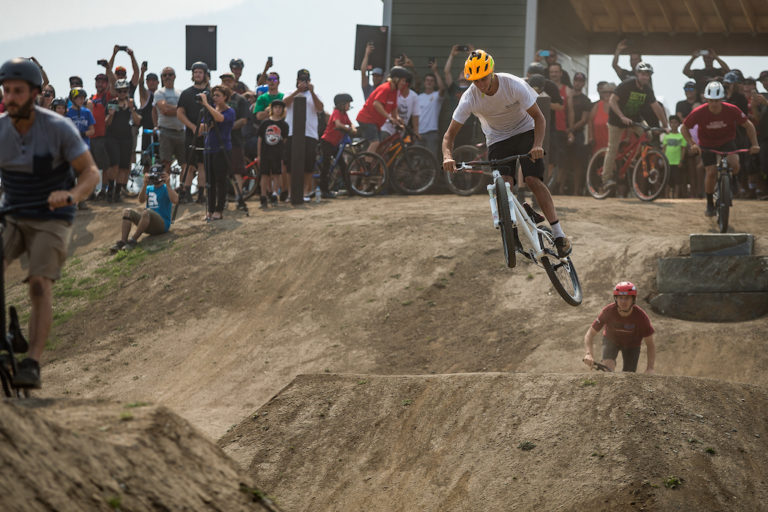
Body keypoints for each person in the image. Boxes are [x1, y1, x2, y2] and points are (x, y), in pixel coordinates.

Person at [0, 58, 100, 388]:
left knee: (39, 283)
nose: (10, 97)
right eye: (6, 91)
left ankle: (32, 363)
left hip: (51, 217)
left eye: (17, 91)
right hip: (13, 211)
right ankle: (6, 336)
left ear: (34, 93)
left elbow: (91, 172)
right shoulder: (1, 129)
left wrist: (72, 195)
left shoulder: (57, 128)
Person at [442, 50, 572, 258]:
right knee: (503, 182)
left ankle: (558, 234)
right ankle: (512, 221)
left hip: (526, 131)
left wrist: (537, 145)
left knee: (532, 179)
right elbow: (449, 135)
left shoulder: (513, 84)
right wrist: (447, 156)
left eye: (483, 79)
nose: (480, 84)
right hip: (498, 139)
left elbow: (540, 118)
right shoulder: (469, 98)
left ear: (491, 73)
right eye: (475, 81)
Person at [681, 81, 760, 217]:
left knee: (735, 164)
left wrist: (755, 144)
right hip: (707, 144)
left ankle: (733, 180)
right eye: (711, 100)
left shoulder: (731, 109)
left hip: (727, 142)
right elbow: (684, 128)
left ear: (722, 99)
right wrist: (692, 144)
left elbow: (748, 125)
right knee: (711, 172)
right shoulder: (699, 112)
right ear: (706, 99)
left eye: (717, 101)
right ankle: (710, 203)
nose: (714, 104)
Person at [602, 62, 668, 190]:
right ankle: (606, 179)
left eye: (647, 75)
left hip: (633, 119)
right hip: (616, 120)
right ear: (637, 74)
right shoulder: (627, 84)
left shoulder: (648, 90)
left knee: (647, 136)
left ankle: (633, 159)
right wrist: (621, 116)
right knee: (612, 148)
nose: (645, 77)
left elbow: (656, 107)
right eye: (643, 74)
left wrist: (665, 126)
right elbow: (612, 100)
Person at [582, 282, 655, 374]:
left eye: (627, 298)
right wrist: (589, 354)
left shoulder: (641, 317)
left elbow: (650, 344)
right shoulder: (608, 311)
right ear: (616, 299)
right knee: (608, 369)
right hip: (611, 341)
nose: (623, 301)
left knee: (629, 375)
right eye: (620, 298)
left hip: (632, 345)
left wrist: (650, 368)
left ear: (633, 299)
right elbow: (589, 334)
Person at [109, 166, 178, 253]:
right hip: (148, 222)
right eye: (152, 175)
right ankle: (123, 242)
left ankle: (133, 240)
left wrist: (168, 184)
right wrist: (145, 184)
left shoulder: (166, 188)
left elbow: (175, 200)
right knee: (127, 211)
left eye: (157, 175)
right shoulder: (149, 188)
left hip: (162, 225)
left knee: (146, 212)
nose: (155, 178)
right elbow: (141, 200)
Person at [284, 69, 324, 200]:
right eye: (301, 80)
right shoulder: (290, 93)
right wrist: (297, 91)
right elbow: (284, 103)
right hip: (292, 133)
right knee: (290, 165)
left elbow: (320, 108)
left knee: (308, 164)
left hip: (310, 134)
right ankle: (291, 192)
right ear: (297, 81)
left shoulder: (315, 94)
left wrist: (311, 91)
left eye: (306, 80)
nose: (303, 83)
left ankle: (305, 191)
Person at [176, 61, 211, 203]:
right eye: (195, 72)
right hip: (191, 134)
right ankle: (186, 193)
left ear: (205, 75)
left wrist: (207, 127)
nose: (197, 74)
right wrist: (192, 126)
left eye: (200, 72)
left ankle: (201, 195)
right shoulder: (186, 93)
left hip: (207, 134)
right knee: (188, 165)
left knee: (203, 165)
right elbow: (180, 113)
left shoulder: (211, 93)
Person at [199, 85, 235, 221]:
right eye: (213, 95)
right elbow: (203, 128)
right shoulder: (210, 110)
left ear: (225, 97)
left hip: (222, 149)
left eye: (218, 95)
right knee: (210, 182)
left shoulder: (230, 111)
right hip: (209, 148)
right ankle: (210, 210)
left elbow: (220, 118)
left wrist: (207, 104)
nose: (215, 98)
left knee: (220, 180)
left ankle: (219, 210)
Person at [356, 66, 409, 155]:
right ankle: (367, 166)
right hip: (366, 119)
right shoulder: (385, 88)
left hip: (375, 122)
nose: (404, 83)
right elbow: (376, 104)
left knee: (380, 146)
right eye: (403, 80)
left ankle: (371, 163)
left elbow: (393, 109)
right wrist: (390, 118)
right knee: (375, 142)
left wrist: (398, 119)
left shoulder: (394, 91)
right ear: (396, 79)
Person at [105, 79, 141, 202]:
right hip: (113, 138)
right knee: (114, 165)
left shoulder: (131, 104)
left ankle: (117, 193)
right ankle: (110, 190)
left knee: (124, 167)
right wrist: (111, 114)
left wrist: (132, 109)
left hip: (126, 138)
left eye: (125, 91)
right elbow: (107, 123)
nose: (122, 93)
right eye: (120, 91)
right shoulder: (112, 103)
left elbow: (137, 122)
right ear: (116, 91)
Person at [220, 72, 250, 210]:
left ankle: (239, 197)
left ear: (234, 83)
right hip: (219, 141)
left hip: (235, 140)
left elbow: (244, 120)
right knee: (221, 171)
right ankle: (222, 199)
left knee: (237, 170)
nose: (226, 83)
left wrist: (227, 126)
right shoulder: (217, 99)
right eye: (224, 81)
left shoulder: (240, 100)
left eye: (229, 81)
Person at [319, 94, 356, 199]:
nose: (349, 106)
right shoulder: (337, 113)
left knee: (343, 166)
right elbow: (338, 125)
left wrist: (353, 128)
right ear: (341, 104)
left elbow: (351, 123)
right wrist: (349, 129)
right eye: (348, 104)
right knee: (326, 165)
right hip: (327, 141)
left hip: (335, 144)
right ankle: (324, 190)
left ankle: (350, 189)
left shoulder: (344, 114)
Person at [153, 67, 186, 174]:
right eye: (165, 75)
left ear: (175, 76)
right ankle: (166, 189)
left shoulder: (181, 92)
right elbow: (164, 110)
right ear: (161, 77)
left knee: (185, 163)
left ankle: (182, 189)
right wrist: (180, 109)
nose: (167, 77)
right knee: (166, 163)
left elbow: (186, 110)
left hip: (181, 132)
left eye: (170, 74)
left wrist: (170, 107)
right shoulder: (159, 92)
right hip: (166, 132)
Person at [257, 99, 289, 208]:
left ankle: (275, 195)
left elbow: (284, 140)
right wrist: (259, 155)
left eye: (280, 108)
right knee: (264, 175)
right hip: (265, 153)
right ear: (272, 109)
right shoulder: (265, 123)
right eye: (275, 107)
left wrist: (282, 154)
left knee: (276, 174)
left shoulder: (284, 125)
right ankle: (263, 196)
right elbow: (260, 139)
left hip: (277, 153)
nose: (278, 109)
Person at [567, 72, 591, 195]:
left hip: (578, 134)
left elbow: (584, 120)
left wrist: (571, 130)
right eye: (576, 80)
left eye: (581, 81)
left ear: (584, 83)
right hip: (563, 132)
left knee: (578, 163)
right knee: (563, 162)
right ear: (573, 81)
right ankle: (560, 189)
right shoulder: (567, 95)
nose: (578, 83)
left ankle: (576, 191)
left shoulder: (586, 100)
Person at [417, 60, 447, 159]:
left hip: (432, 132)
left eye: (431, 81)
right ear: (424, 82)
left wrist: (435, 71)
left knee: (431, 159)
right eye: (427, 80)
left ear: (434, 83)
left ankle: (433, 174)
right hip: (419, 133)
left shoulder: (437, 96)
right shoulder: (419, 97)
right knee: (417, 159)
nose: (429, 82)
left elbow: (442, 88)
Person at [662, 116, 687, 198]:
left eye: (675, 122)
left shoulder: (681, 136)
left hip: (676, 162)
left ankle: (676, 197)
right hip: (667, 162)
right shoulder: (667, 136)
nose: (673, 124)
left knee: (677, 181)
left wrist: (681, 161)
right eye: (671, 122)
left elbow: (683, 149)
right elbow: (664, 149)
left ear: (679, 124)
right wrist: (663, 160)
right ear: (669, 124)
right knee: (667, 181)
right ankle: (666, 197)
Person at [589, 81, 614, 154]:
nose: (607, 94)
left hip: (615, 144)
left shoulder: (619, 106)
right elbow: (590, 121)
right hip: (599, 144)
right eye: (605, 92)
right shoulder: (597, 106)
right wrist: (591, 136)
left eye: (610, 92)